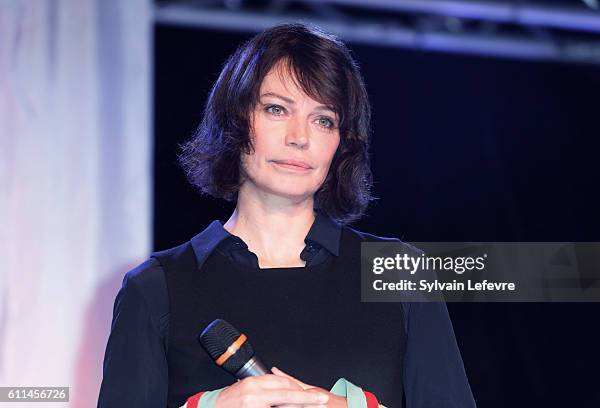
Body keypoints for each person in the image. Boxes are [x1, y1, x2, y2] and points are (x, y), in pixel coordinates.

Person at [97, 22, 476, 408]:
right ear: (235, 120)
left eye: (323, 119)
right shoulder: (156, 288)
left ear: (341, 143)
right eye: (277, 109)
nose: (300, 137)